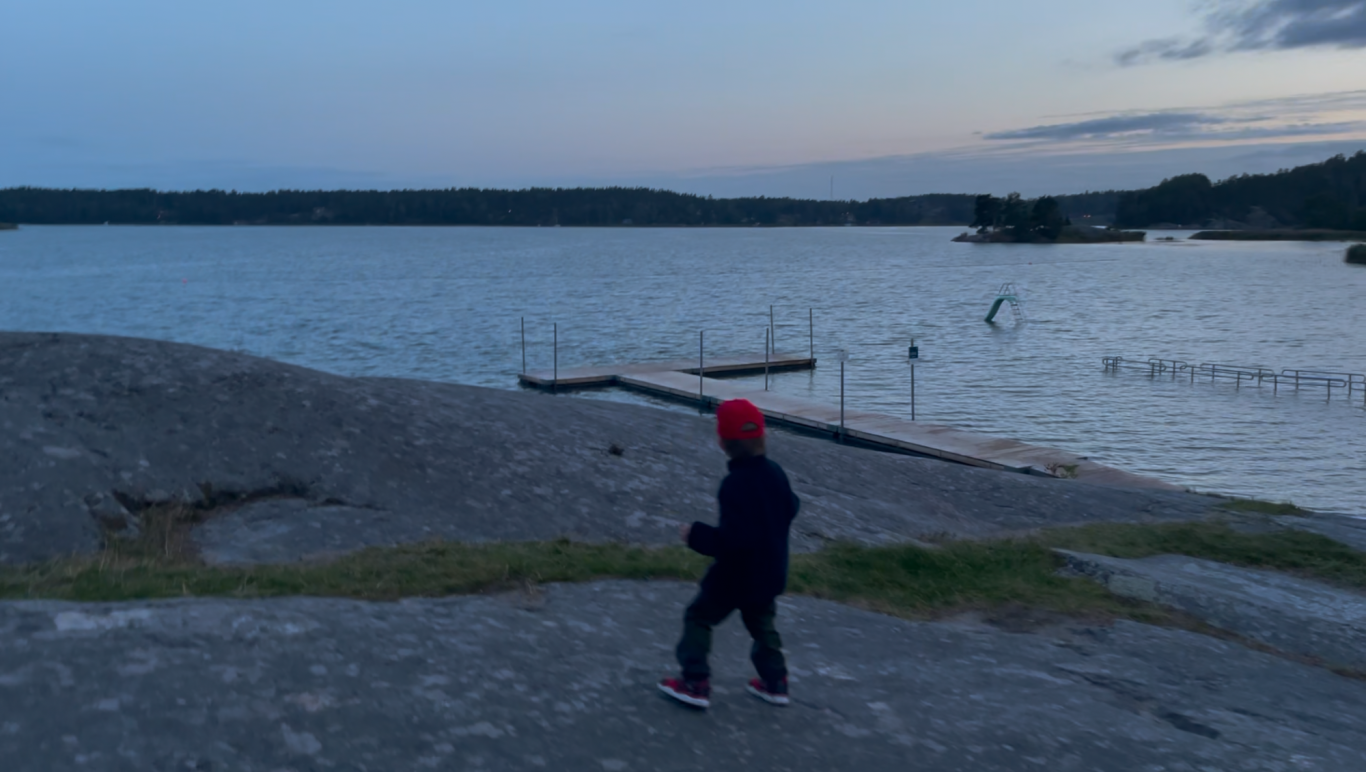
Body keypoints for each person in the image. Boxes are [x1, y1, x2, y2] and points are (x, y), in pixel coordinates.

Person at [657, 398, 800, 709]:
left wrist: (695, 534)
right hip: (770, 573)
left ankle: (695, 682)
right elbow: (792, 507)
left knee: (698, 617)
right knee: (763, 627)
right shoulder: (776, 474)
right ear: (765, 436)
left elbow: (732, 541)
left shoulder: (734, 484)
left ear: (721, 442)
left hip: (735, 577)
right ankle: (776, 682)